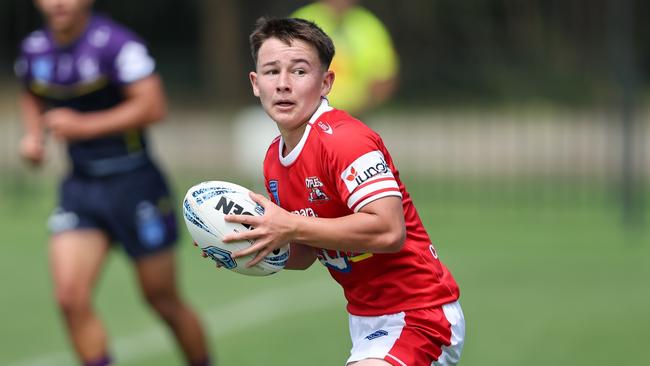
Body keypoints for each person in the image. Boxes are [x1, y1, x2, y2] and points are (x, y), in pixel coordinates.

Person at [222, 17, 465, 365]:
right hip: (367, 323)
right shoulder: (274, 160)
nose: (284, 84)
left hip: (420, 316)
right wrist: (242, 246)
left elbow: (389, 230)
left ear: (326, 82)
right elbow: (304, 253)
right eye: (272, 71)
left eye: (300, 71)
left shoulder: (346, 141)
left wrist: (289, 225)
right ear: (255, 83)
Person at [15, 1, 211, 365]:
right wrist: (34, 138)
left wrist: (82, 126)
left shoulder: (117, 45)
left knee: (162, 299)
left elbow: (153, 106)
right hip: (81, 189)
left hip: (136, 185)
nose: (57, 3)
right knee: (70, 298)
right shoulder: (34, 49)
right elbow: (31, 91)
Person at [291, 0, 399, 116]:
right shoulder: (301, 22)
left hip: (354, 116)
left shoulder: (369, 26)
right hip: (305, 116)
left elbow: (385, 78)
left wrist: (363, 105)